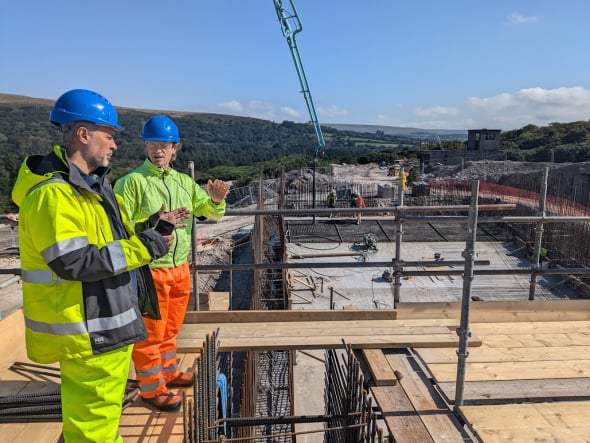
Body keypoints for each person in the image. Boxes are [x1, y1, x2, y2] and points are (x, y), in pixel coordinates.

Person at [11, 89, 177, 442]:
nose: (114, 145)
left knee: (98, 424)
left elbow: (108, 242)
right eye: (110, 135)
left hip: (103, 326)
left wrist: (151, 229)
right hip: (89, 332)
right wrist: (147, 246)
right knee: (94, 432)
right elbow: (76, 262)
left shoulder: (92, 189)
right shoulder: (53, 196)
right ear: (83, 135)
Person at [114, 115, 230, 412]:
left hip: (180, 268)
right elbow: (120, 227)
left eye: (164, 145)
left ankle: (168, 373)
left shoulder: (183, 182)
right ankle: (152, 389)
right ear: (145, 146)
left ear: (174, 149)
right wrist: (156, 224)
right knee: (150, 332)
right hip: (149, 269)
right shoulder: (131, 183)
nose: (158, 151)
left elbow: (208, 212)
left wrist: (215, 200)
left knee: (170, 328)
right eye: (153, 144)